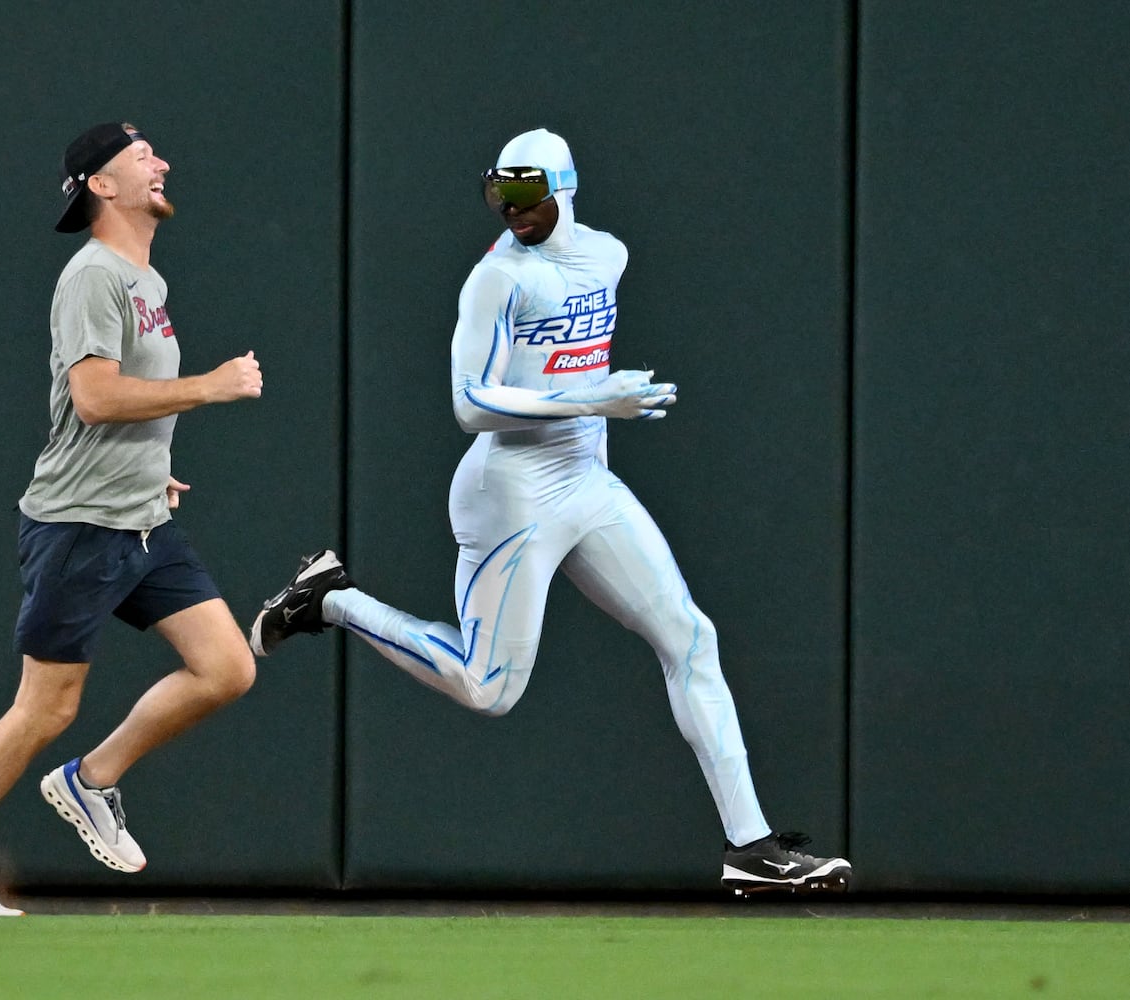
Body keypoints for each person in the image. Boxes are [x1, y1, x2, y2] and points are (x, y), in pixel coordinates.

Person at [251, 128, 851, 896]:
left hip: (584, 480)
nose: (511, 211)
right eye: (499, 194)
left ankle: (750, 847)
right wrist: (591, 396)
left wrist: (590, 402)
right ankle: (331, 599)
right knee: (486, 689)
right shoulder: (496, 279)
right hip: (509, 493)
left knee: (689, 636)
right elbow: (470, 404)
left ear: (564, 188)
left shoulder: (608, 254)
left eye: (527, 194)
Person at [0, 122, 263, 916]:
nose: (162, 162)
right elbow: (97, 398)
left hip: (141, 520)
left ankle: (91, 778)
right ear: (102, 185)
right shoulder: (93, 275)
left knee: (226, 669)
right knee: (46, 707)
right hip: (79, 528)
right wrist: (210, 386)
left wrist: (153, 466)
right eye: (142, 158)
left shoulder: (146, 281)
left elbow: (118, 407)